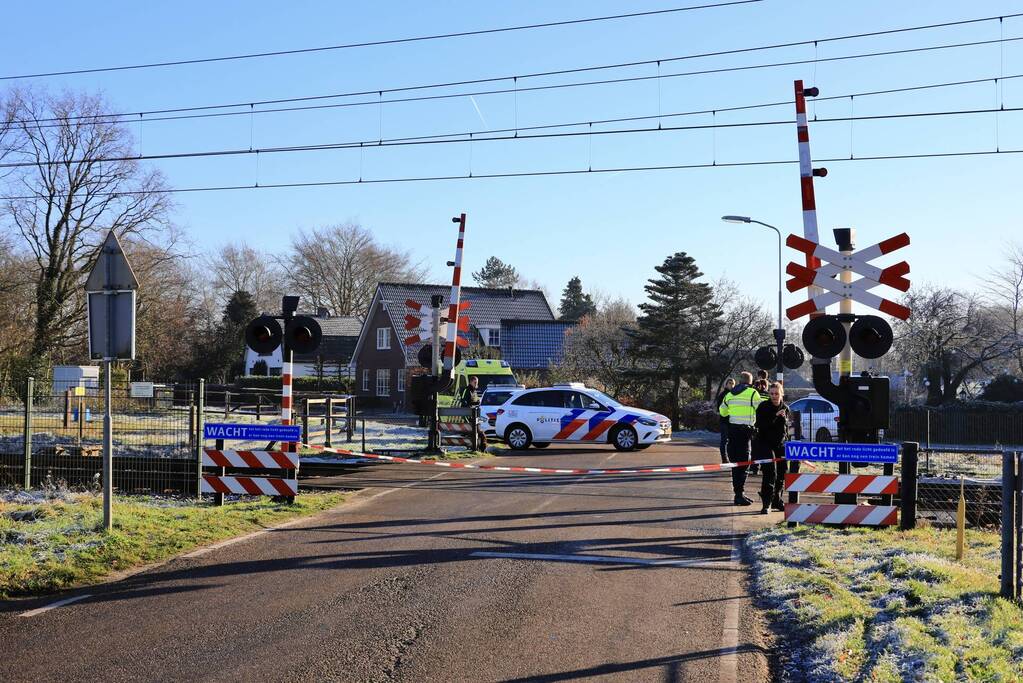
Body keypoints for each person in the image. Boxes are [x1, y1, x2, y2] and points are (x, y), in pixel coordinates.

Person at [718, 371, 764, 505]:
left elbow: (722, 411)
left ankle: (738, 493)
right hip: (746, 433)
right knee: (744, 464)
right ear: (750, 382)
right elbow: (760, 410)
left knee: (735, 464)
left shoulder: (730, 394)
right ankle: (739, 495)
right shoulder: (753, 393)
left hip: (732, 432)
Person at [754, 382, 790, 514]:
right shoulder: (763, 407)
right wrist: (775, 417)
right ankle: (766, 503)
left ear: (781, 394)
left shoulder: (786, 408)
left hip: (780, 444)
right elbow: (760, 425)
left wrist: (784, 420)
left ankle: (777, 500)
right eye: (772, 393)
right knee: (770, 472)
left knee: (782, 472)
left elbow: (786, 430)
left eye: (776, 394)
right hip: (765, 443)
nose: (774, 396)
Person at [457, 376, 487, 450]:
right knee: (478, 433)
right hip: (468, 416)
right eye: (475, 382)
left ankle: (477, 448)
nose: (476, 384)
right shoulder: (466, 390)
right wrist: (475, 403)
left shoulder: (474, 391)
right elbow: (464, 403)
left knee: (478, 433)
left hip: (473, 415)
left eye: (477, 382)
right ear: (470, 382)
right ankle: (479, 448)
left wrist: (477, 403)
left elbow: (473, 403)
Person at [715, 378, 735, 464]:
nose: (731, 385)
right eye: (730, 383)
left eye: (733, 383)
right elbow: (719, 408)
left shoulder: (734, 395)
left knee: (731, 441)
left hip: (732, 422)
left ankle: (730, 458)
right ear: (726, 384)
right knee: (724, 441)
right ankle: (724, 458)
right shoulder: (723, 395)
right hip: (724, 421)